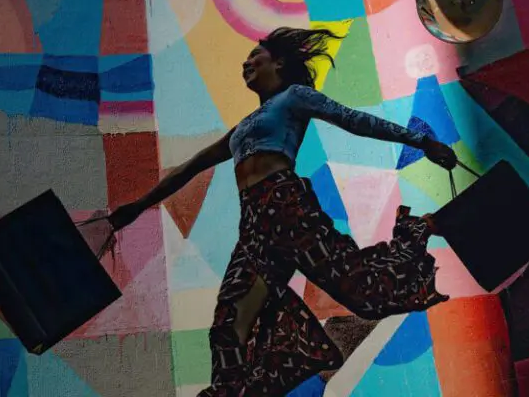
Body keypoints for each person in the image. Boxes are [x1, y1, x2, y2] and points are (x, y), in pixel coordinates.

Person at [106, 27, 456, 396]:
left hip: (287, 207)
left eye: (254, 56)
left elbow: (353, 119)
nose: (246, 63)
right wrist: (139, 206)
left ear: (279, 62)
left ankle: (416, 230)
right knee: (228, 326)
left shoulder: (294, 97)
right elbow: (190, 167)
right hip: (254, 225)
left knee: (362, 293)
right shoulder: (240, 130)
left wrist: (421, 141)